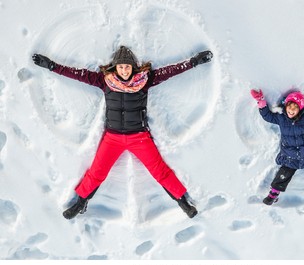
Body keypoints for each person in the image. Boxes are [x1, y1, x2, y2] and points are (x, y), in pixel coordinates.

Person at [32, 46, 213, 219]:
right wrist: (51, 66)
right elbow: (77, 74)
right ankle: (80, 203)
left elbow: (171, 71)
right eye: (121, 67)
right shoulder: (105, 81)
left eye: (127, 67)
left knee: (160, 171)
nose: (124, 71)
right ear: (115, 67)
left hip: (139, 137)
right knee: (97, 172)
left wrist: (194, 62)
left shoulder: (144, 80)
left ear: (133, 67)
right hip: (113, 138)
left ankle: (182, 202)